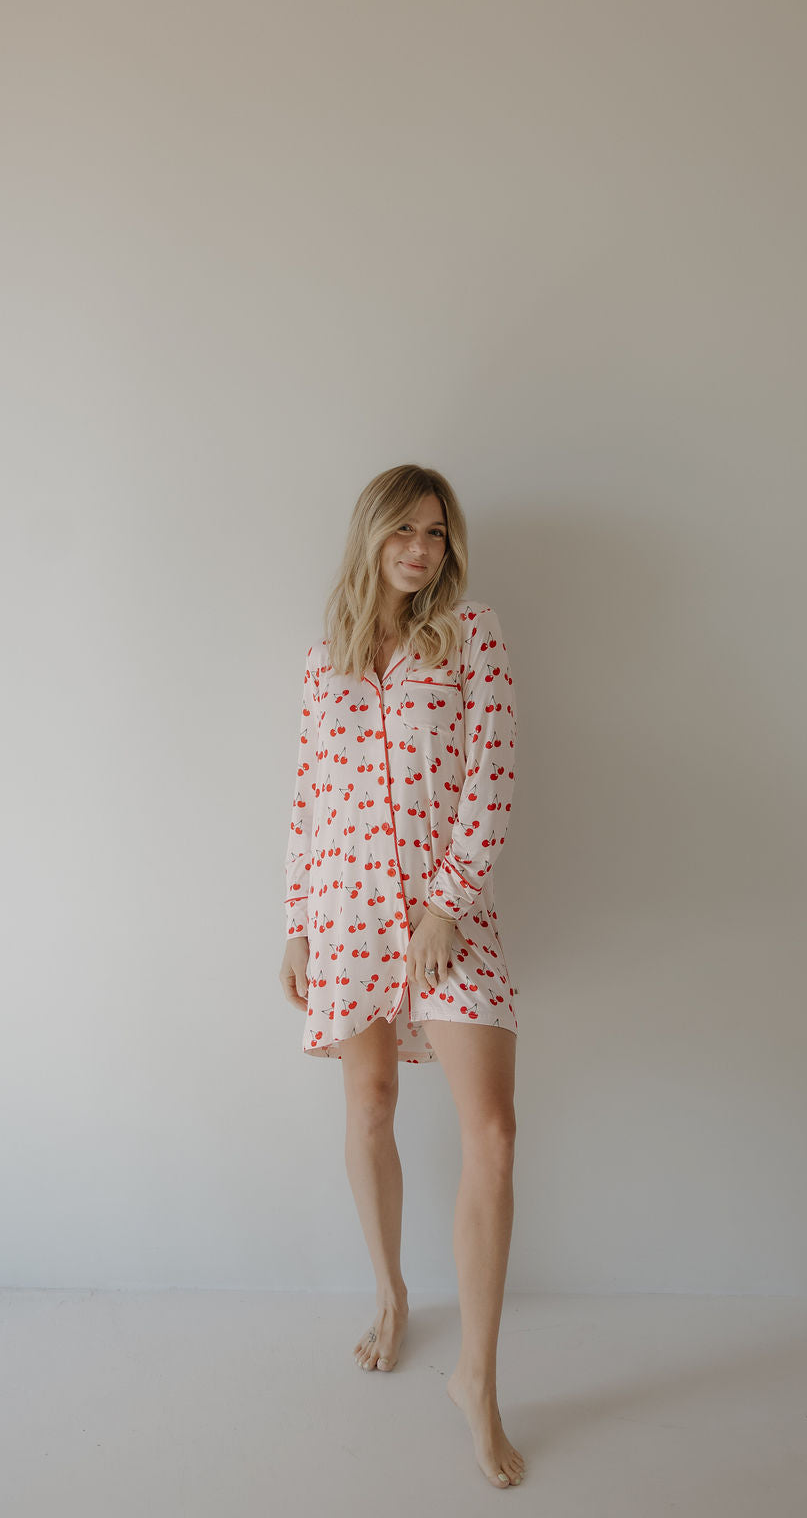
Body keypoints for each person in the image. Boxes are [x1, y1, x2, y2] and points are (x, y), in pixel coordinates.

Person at [278, 464, 525, 1490]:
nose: (422, 550)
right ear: (371, 535)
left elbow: (494, 777)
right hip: (344, 915)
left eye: (436, 533)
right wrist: (297, 926)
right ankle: (389, 1294)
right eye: (404, 531)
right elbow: (309, 801)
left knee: (493, 1133)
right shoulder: (324, 663)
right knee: (370, 1101)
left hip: (445, 917)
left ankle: (478, 1379)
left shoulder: (472, 637)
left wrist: (447, 905)